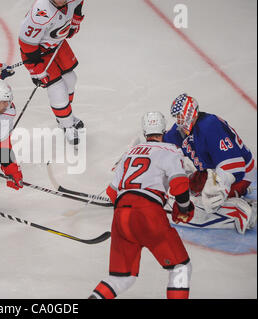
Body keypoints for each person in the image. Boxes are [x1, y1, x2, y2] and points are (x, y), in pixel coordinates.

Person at [89, 112, 194, 299]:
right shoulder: (170, 149)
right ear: (163, 129)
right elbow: (179, 184)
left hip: (121, 216)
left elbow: (112, 193)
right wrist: (184, 207)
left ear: (145, 130)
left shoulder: (130, 151)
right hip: (148, 214)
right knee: (180, 268)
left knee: (121, 278)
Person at [163, 93, 257, 234]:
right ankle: (234, 196)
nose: (177, 120)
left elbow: (234, 163)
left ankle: (241, 211)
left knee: (206, 203)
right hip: (210, 171)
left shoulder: (210, 125)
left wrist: (220, 185)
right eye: (176, 117)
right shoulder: (180, 131)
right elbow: (162, 142)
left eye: (179, 115)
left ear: (189, 112)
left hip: (240, 174)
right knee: (184, 189)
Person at [19, 0, 85, 145]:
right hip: (37, 52)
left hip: (57, 44)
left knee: (71, 79)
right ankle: (67, 126)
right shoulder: (40, 12)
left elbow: (78, 4)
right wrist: (35, 67)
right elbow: (26, 43)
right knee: (57, 89)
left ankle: (66, 116)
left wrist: (75, 21)